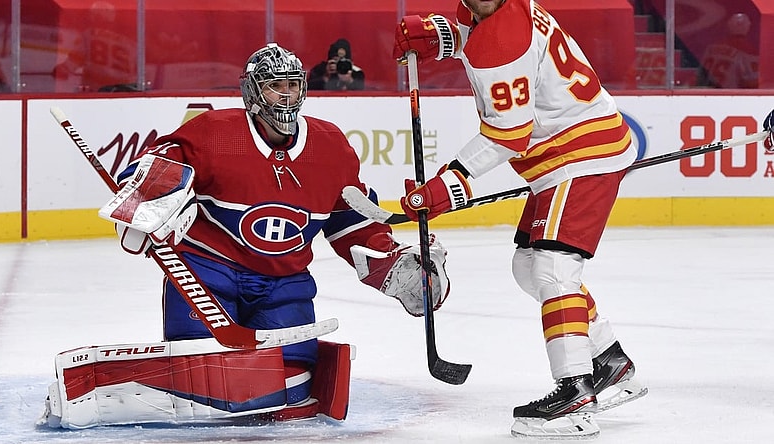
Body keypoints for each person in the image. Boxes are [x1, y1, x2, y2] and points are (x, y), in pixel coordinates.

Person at [39, 43, 450, 429]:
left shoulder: (331, 146)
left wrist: (392, 263)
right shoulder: (215, 133)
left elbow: (350, 221)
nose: (286, 97)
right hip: (206, 273)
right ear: (253, 93)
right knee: (207, 380)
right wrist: (142, 206)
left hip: (283, 282)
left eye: (293, 85)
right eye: (275, 87)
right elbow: (154, 168)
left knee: (292, 385)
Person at [393, 0, 647, 439]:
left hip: (579, 155)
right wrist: (443, 36)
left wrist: (448, 185)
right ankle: (607, 360)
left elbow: (508, 135)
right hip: (564, 153)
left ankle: (575, 393)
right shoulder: (500, 13)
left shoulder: (502, 37)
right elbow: (499, 51)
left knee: (554, 270)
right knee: (528, 267)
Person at [698, 12, 759, 89]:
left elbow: (700, 76)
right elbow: (751, 83)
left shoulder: (711, 48)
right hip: (730, 96)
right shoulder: (749, 52)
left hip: (707, 94)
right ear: (749, 26)